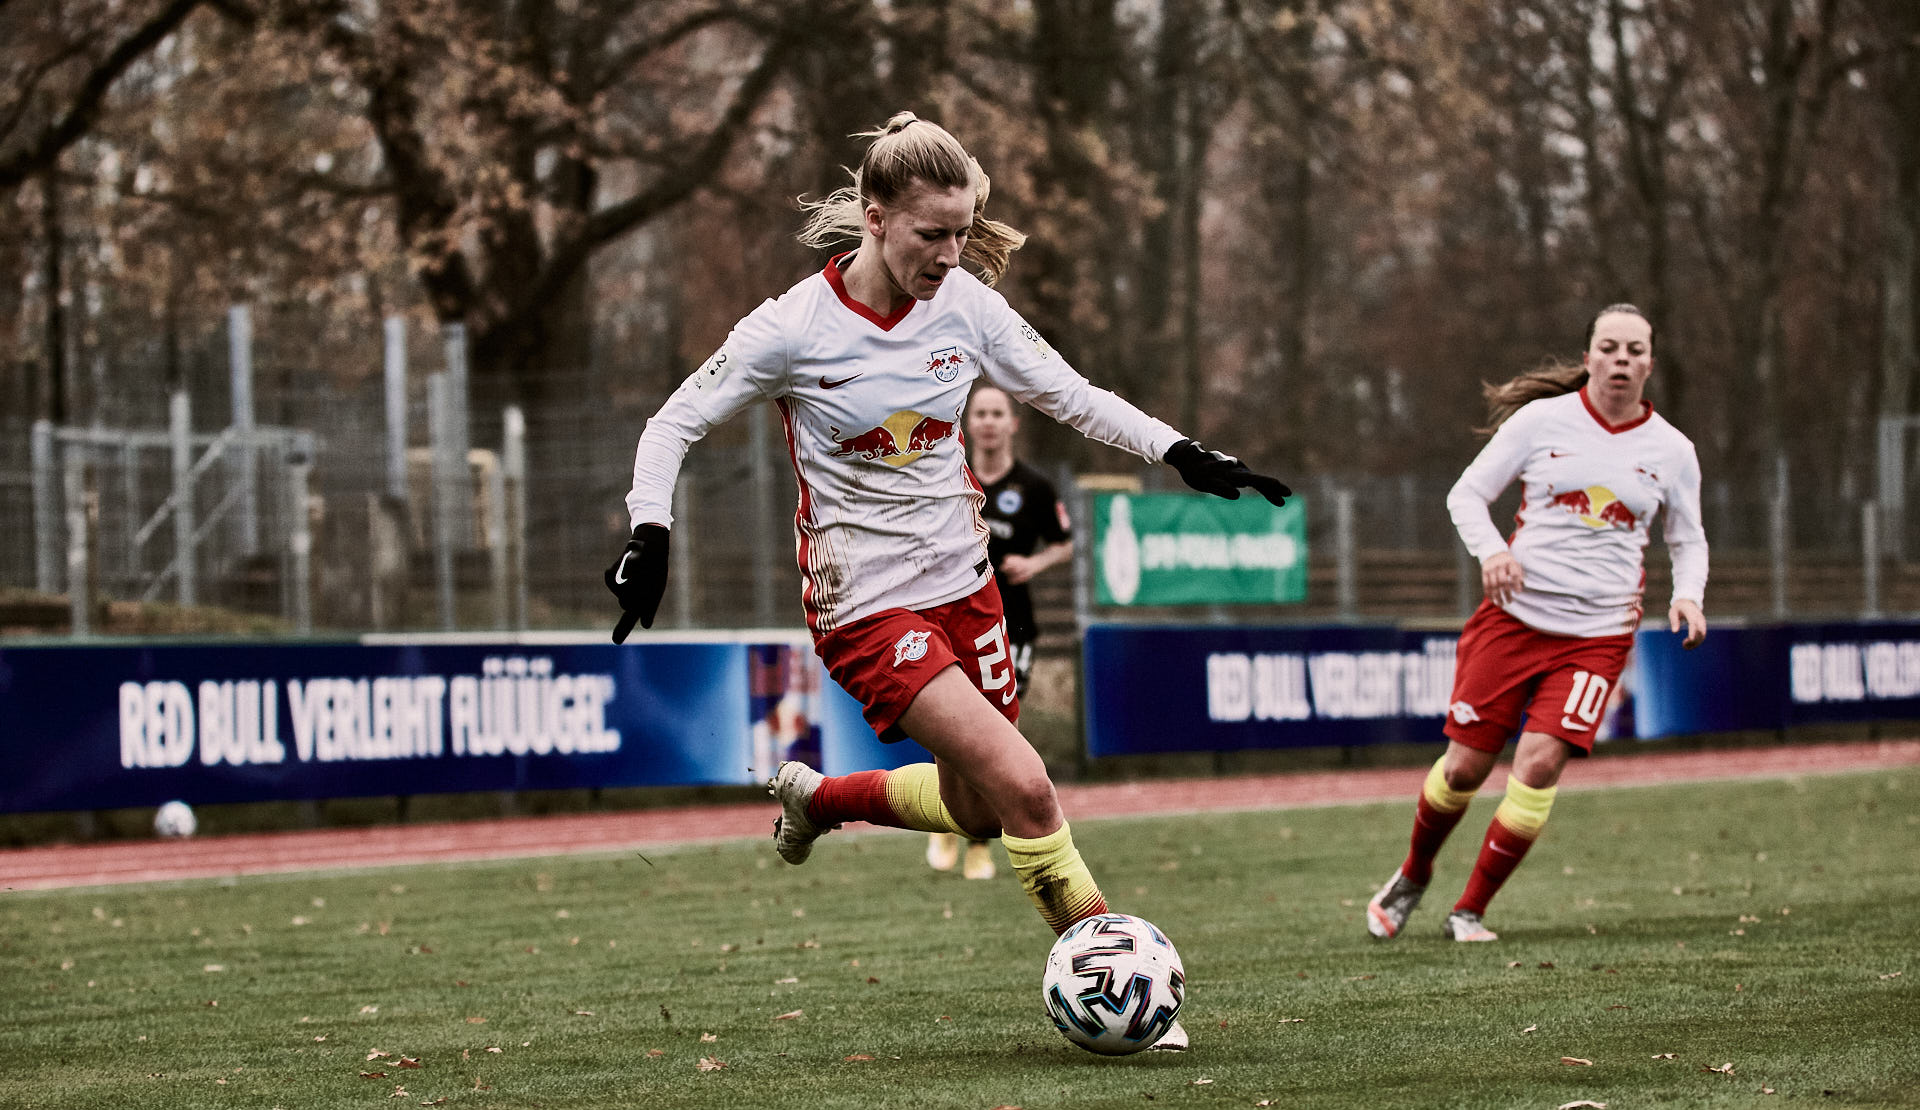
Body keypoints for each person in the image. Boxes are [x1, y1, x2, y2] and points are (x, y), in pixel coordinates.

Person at [605, 112, 1290, 1048]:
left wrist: (1181, 452)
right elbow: (672, 424)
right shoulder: (791, 327)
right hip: (863, 604)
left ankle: (820, 799)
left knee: (978, 812)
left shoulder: (967, 306)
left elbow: (1071, 395)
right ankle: (1120, 988)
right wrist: (650, 531)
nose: (951, 254)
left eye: (963, 232)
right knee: (1028, 789)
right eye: (933, 234)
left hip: (966, 584)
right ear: (875, 217)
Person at [1365, 303, 1708, 942]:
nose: (1621, 359)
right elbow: (1466, 494)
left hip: (1599, 636)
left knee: (1540, 764)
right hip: (1512, 622)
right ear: (1589, 357)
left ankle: (1469, 910)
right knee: (1463, 770)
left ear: (1650, 364)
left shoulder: (1673, 451)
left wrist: (1688, 595)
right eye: (1609, 347)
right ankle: (1413, 873)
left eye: (1635, 350)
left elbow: (1687, 539)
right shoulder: (1542, 421)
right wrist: (1493, 553)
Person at [925, 383, 1072, 881]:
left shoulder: (1035, 486)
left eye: (997, 413)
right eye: (980, 413)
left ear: (1012, 424)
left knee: (999, 732)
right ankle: (949, 821)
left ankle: (979, 844)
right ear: (966, 423)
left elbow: (1064, 543)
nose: (988, 422)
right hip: (951, 617)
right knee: (949, 723)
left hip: (1015, 624)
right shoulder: (945, 479)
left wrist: (1033, 564)